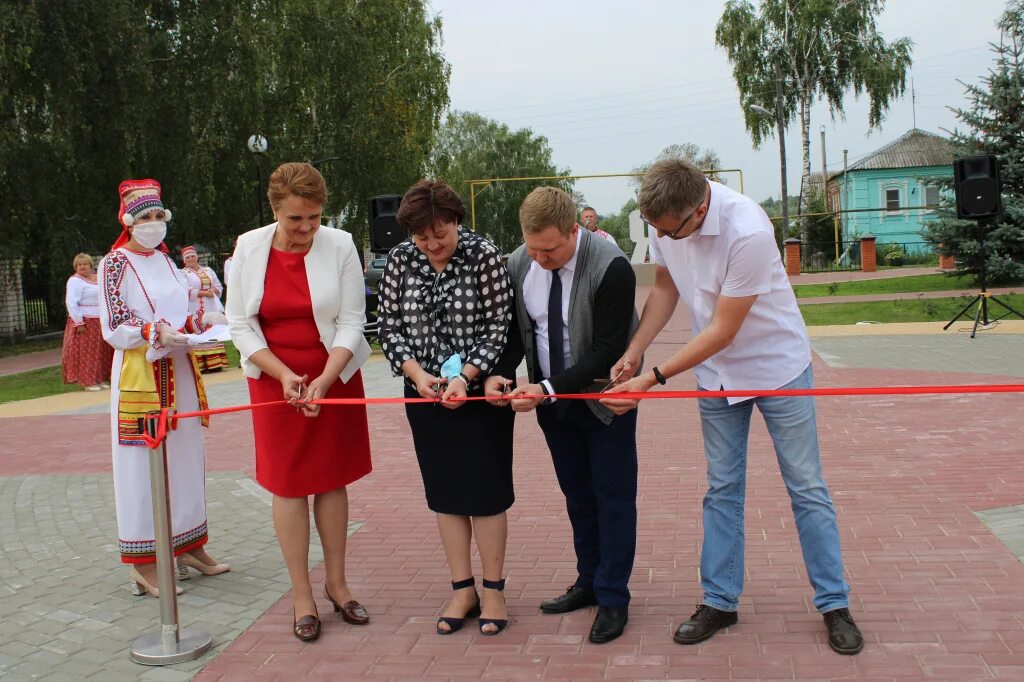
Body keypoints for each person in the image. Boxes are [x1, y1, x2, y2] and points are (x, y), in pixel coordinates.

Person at [601, 158, 864, 655]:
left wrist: (652, 379)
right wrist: (636, 350)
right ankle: (720, 600)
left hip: (777, 367)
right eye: (654, 229)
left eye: (668, 231)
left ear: (699, 209)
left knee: (806, 487)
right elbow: (664, 287)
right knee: (722, 487)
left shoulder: (747, 228)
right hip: (717, 376)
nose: (662, 238)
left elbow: (724, 330)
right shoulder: (666, 219)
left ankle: (835, 604)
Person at [226, 162, 372, 642]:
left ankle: (338, 582)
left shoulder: (342, 244)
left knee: (330, 479)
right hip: (275, 379)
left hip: (333, 373)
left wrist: (326, 380)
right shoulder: (248, 246)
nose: (307, 228)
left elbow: (352, 320)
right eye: (295, 220)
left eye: (314, 216)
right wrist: (285, 375)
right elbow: (240, 325)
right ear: (275, 212)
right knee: (288, 485)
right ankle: (301, 594)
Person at [487, 186, 639, 644]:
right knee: (577, 496)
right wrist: (500, 374)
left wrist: (548, 388)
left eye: (550, 249)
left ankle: (614, 598)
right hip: (552, 405)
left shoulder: (611, 265)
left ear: (575, 230)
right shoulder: (520, 263)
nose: (540, 258)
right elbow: (518, 332)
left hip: (604, 401)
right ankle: (588, 581)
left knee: (612, 497)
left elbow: (609, 347)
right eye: (532, 248)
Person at [378, 179, 515, 636]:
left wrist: (466, 376)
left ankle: (493, 588)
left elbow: (501, 322)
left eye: (441, 233)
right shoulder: (399, 260)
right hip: (424, 393)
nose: (433, 244)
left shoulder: (484, 255)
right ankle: (463, 588)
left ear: (457, 221)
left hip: (478, 393)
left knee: (487, 492)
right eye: (422, 237)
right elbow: (389, 324)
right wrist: (417, 375)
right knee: (446, 494)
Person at [98, 179, 229, 599]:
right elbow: (114, 323)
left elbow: (182, 310)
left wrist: (199, 325)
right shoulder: (114, 263)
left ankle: (189, 545)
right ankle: (144, 561)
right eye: (146, 217)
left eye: (159, 216)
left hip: (179, 367)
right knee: (141, 463)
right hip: (141, 372)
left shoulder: (168, 263)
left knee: (186, 454)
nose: (154, 224)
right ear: (129, 221)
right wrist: (155, 330)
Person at [61, 253, 113, 391]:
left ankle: (99, 378)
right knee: (87, 352)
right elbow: (71, 302)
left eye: (85, 264)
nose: (82, 267)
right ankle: (88, 381)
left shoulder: (98, 278)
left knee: (101, 351)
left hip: (100, 319)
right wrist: (79, 322)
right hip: (85, 319)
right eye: (79, 265)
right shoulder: (75, 281)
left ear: (91, 265)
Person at [181, 245, 228, 373]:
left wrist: (214, 290)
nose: (190, 259)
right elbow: (185, 290)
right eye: (188, 257)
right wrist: (203, 293)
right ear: (184, 260)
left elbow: (218, 285)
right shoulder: (183, 274)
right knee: (200, 330)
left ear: (197, 257)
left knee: (213, 329)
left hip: (211, 304)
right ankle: (202, 363)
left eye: (192, 256)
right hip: (195, 306)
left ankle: (216, 362)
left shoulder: (208, 270)